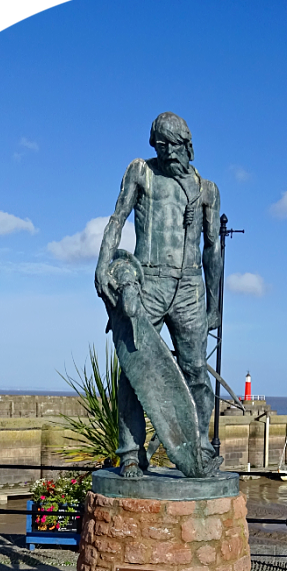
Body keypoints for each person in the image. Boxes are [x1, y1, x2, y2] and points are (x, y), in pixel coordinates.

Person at [95, 112, 223, 478]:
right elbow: (117, 218)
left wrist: (215, 305)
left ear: (188, 146)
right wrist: (103, 263)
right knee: (133, 370)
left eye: (172, 146)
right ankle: (130, 454)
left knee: (196, 371)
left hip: (189, 287)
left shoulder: (207, 190)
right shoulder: (141, 171)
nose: (166, 152)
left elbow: (213, 248)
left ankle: (198, 450)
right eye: (160, 145)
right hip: (148, 280)